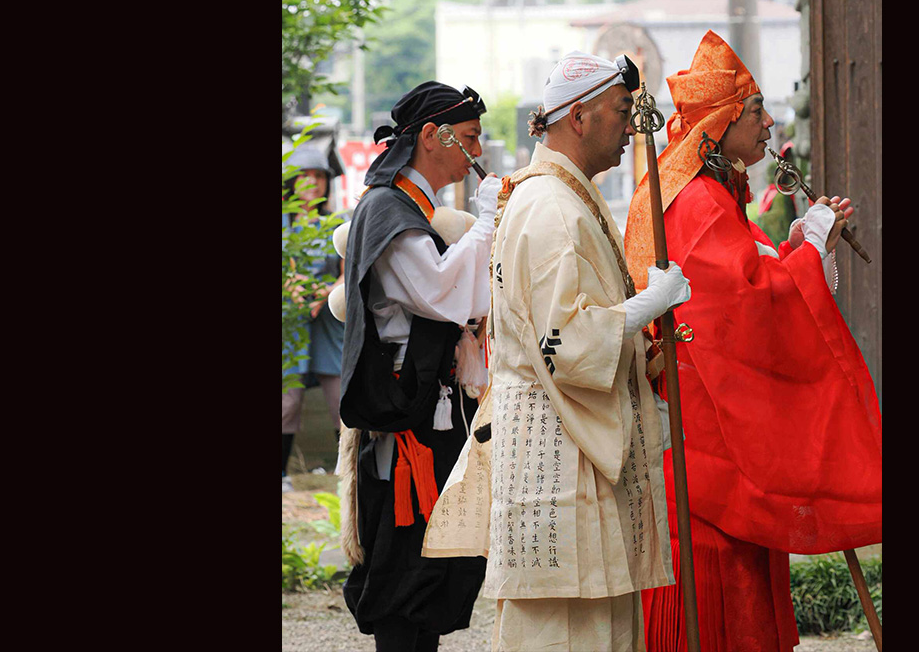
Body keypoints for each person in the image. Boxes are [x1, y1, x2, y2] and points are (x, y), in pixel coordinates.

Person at [624, 30, 883, 652]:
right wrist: (811, 249)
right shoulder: (698, 200)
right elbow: (745, 309)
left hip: (707, 419)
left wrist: (796, 250)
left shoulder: (705, 192)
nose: (769, 124)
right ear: (722, 122)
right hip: (707, 430)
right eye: (757, 111)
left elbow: (746, 283)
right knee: (716, 589)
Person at [482, 51, 692, 652]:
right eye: (621, 112)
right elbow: (569, 344)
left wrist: (643, 352)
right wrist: (648, 305)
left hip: (572, 441)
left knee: (599, 627)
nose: (631, 128)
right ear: (579, 117)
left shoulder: (562, 196)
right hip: (561, 444)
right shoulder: (549, 205)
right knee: (566, 632)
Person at [335, 82, 499, 652]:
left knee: (433, 563)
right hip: (407, 414)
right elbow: (443, 295)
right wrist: (485, 223)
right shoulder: (388, 208)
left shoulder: (406, 206)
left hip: (432, 406)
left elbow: (466, 297)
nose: (476, 153)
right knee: (408, 566)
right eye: (470, 138)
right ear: (432, 135)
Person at [282, 144, 346, 493]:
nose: (314, 183)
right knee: (287, 400)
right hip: (289, 323)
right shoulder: (283, 222)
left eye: (320, 176)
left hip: (328, 320)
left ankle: (348, 469)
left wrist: (327, 293)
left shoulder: (335, 223)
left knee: (340, 397)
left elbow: (344, 268)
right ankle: (283, 475)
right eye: (305, 176)